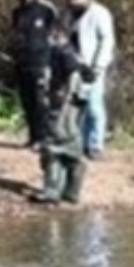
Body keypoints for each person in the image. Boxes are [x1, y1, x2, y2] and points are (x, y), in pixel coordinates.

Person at [29, 37, 94, 205]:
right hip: (76, 103)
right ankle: (72, 192)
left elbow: (73, 77)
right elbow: (89, 76)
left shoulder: (62, 53)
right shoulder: (75, 54)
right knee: (72, 145)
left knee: (53, 146)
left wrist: (63, 98)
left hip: (62, 103)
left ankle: (52, 191)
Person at [64, 0, 116, 158]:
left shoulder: (99, 13)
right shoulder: (71, 15)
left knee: (94, 106)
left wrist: (98, 66)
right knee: (80, 106)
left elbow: (106, 40)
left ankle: (96, 144)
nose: (73, 1)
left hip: (92, 67)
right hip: (75, 67)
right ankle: (83, 143)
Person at [9, 0, 63, 147]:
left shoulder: (46, 10)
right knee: (27, 101)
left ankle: (43, 137)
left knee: (41, 101)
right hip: (22, 62)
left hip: (40, 61)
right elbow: (15, 34)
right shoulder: (17, 12)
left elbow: (57, 33)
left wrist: (52, 60)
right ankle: (32, 136)